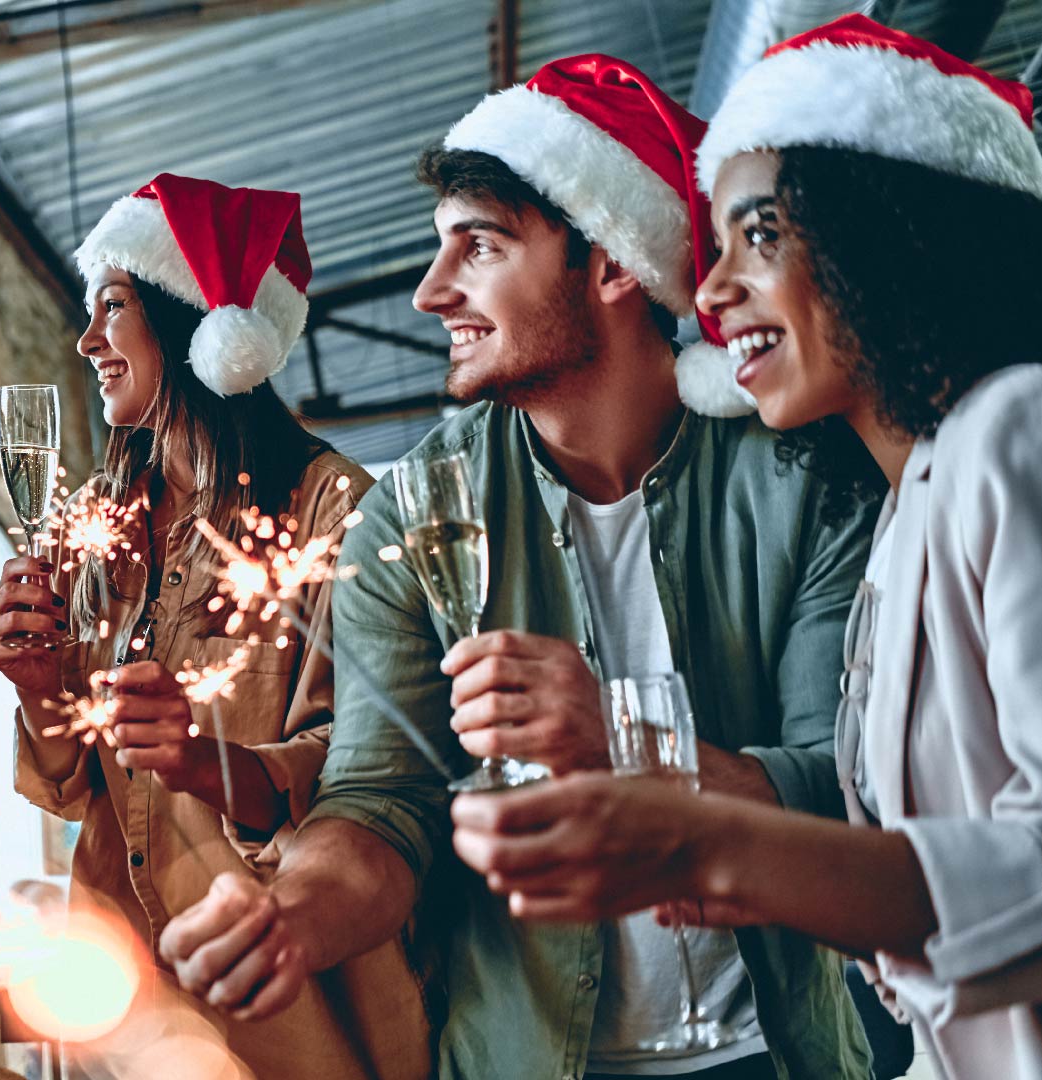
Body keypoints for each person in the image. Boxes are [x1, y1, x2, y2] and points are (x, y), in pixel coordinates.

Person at [158, 57, 878, 1079]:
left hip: (786, 1048)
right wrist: (288, 913)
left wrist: (625, 742)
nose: (428, 291)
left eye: (480, 247)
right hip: (530, 1056)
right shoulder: (411, 515)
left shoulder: (802, 474)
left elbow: (839, 791)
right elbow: (379, 800)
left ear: (614, 262)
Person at [449, 16, 1042, 1078]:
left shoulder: (1022, 430)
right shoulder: (903, 522)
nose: (707, 290)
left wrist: (715, 845)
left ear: (887, 234)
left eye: (761, 235)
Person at [0, 174, 428, 1079]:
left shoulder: (332, 506)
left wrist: (202, 760)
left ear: (194, 322)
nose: (88, 339)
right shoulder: (94, 527)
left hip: (289, 1008)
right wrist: (39, 693)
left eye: (114, 305)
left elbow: (369, 771)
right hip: (122, 995)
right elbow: (75, 786)